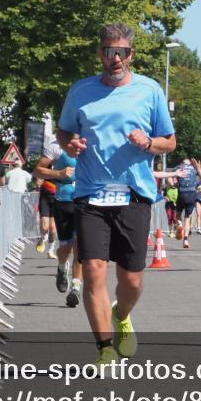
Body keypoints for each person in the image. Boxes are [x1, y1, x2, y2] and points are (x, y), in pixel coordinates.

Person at [56, 23, 175, 367]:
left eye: (122, 52)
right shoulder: (80, 92)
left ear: (131, 55)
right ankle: (105, 349)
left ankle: (121, 314)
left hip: (135, 194)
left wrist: (150, 143)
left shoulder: (149, 91)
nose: (116, 59)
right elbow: (65, 131)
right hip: (90, 194)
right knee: (92, 269)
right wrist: (70, 143)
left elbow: (170, 141)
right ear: (101, 54)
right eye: (109, 52)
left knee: (132, 279)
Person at [34, 149, 82, 306]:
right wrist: (59, 174)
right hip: (63, 201)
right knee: (66, 248)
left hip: (85, 201)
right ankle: (62, 267)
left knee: (79, 246)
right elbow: (38, 170)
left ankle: (75, 287)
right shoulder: (56, 146)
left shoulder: (91, 138)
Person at [32, 137, 61, 255]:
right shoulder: (47, 158)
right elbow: (37, 170)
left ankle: (51, 249)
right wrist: (37, 181)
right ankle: (42, 238)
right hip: (46, 192)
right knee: (44, 226)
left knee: (53, 227)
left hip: (58, 193)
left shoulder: (67, 158)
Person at [175, 158, 199, 248]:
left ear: (182, 163)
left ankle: (179, 224)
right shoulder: (194, 169)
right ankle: (185, 240)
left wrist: (174, 184)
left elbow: (170, 179)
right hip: (192, 194)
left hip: (182, 193)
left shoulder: (179, 167)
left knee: (178, 214)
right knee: (187, 217)